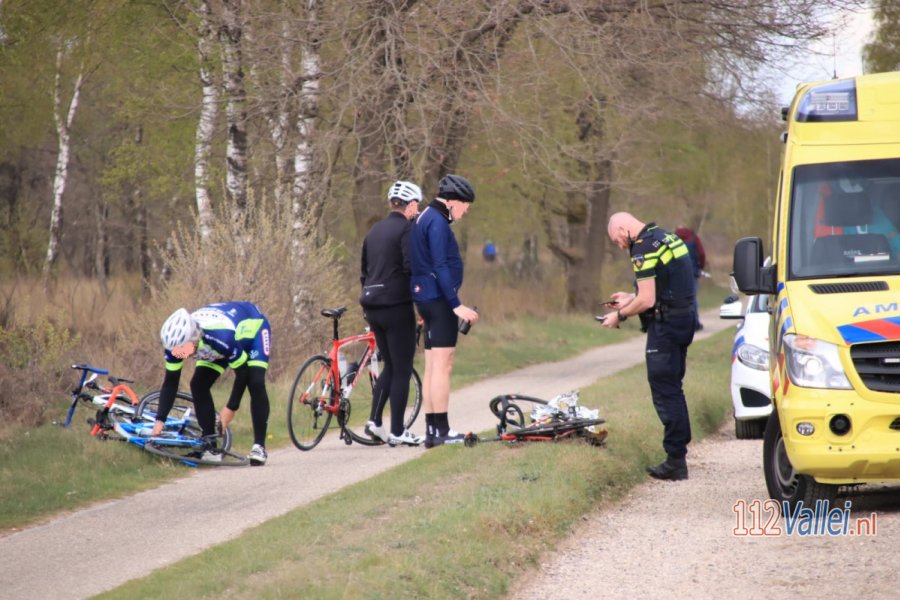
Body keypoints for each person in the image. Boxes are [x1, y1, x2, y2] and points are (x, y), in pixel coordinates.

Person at [600, 212, 695, 481]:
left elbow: (648, 301)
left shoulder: (642, 247)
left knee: (664, 390)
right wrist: (630, 297)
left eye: (617, 240)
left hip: (666, 327)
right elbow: (664, 287)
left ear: (623, 229)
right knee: (674, 387)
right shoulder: (666, 237)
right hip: (683, 320)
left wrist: (619, 315)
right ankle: (680, 451)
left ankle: (675, 461)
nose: (621, 246)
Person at [155, 302, 272, 466]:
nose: (181, 354)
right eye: (177, 351)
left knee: (255, 382)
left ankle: (259, 446)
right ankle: (211, 447)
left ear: (194, 337)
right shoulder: (175, 346)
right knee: (198, 385)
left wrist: (231, 407)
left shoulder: (220, 336)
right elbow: (170, 383)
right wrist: (160, 420)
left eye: (184, 349)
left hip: (253, 332)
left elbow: (242, 373)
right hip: (218, 347)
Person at [410, 174, 479, 447]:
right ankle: (442, 431)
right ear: (452, 201)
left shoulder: (423, 216)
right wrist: (455, 304)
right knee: (442, 366)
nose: (466, 211)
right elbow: (439, 265)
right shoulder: (437, 222)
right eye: (465, 205)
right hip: (439, 301)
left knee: (431, 367)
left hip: (425, 297)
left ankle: (432, 431)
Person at [359, 180, 425, 447]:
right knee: (403, 368)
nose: (417, 210)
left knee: (391, 365)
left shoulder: (374, 230)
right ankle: (398, 430)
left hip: (372, 305)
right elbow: (411, 269)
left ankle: (375, 422)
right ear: (410, 205)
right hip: (396, 306)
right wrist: (422, 306)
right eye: (417, 205)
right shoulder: (408, 229)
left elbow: (364, 271)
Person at [674, 226, 705, 331]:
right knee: (692, 298)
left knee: (678, 298)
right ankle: (694, 323)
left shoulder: (673, 239)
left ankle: (681, 323)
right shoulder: (693, 237)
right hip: (692, 272)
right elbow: (701, 254)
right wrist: (700, 267)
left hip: (677, 273)